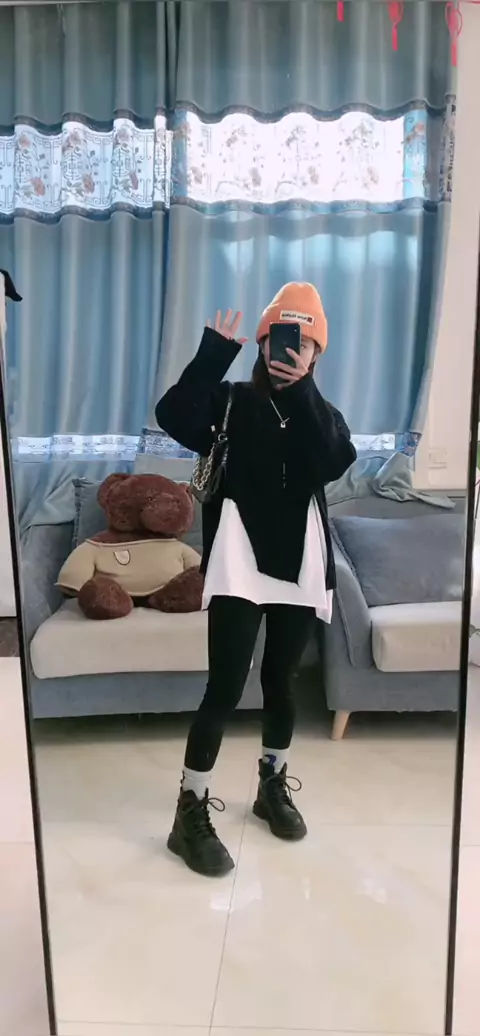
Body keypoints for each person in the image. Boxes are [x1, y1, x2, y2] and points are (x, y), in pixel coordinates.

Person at [155, 282, 356, 877]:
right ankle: (188, 813)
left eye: (304, 344)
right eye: (278, 339)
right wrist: (213, 354)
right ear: (263, 344)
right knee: (224, 686)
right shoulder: (229, 402)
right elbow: (172, 415)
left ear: (316, 354)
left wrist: (303, 391)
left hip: (302, 561)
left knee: (281, 682)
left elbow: (333, 462)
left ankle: (271, 787)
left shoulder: (322, 413)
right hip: (239, 559)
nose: (290, 351)